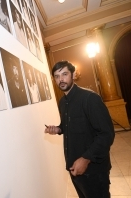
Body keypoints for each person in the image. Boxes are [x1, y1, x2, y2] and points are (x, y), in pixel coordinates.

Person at [45, 61, 115, 198]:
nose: (61, 79)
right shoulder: (62, 102)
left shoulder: (90, 98)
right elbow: (69, 125)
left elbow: (106, 134)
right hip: (74, 168)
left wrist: (86, 159)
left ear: (73, 75)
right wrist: (58, 129)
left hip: (94, 170)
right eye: (57, 76)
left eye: (64, 74)